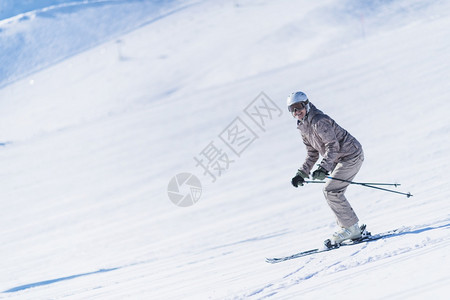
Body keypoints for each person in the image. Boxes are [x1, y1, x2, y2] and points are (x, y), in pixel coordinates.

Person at [287, 91, 365, 247]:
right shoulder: (303, 126)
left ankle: (351, 228)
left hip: (350, 155)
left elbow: (332, 146)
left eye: (298, 107)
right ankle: (348, 227)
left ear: (306, 104)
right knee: (331, 191)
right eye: (292, 109)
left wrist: (323, 168)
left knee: (331, 190)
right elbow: (312, 153)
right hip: (340, 158)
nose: (296, 112)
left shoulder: (318, 121)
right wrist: (302, 173)